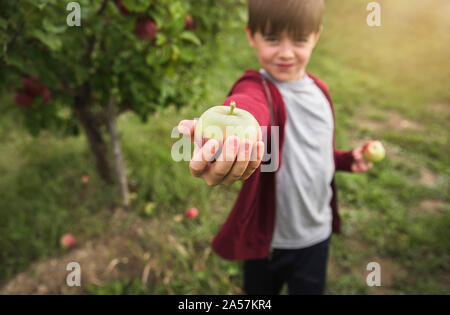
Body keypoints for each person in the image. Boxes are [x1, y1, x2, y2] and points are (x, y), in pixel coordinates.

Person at [177, 0, 373, 295]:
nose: (285, 52)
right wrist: (240, 127)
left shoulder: (321, 92)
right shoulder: (258, 87)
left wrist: (345, 160)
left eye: (298, 39)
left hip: (316, 234)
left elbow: (313, 152)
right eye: (271, 38)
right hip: (268, 240)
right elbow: (250, 105)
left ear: (316, 36)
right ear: (250, 35)